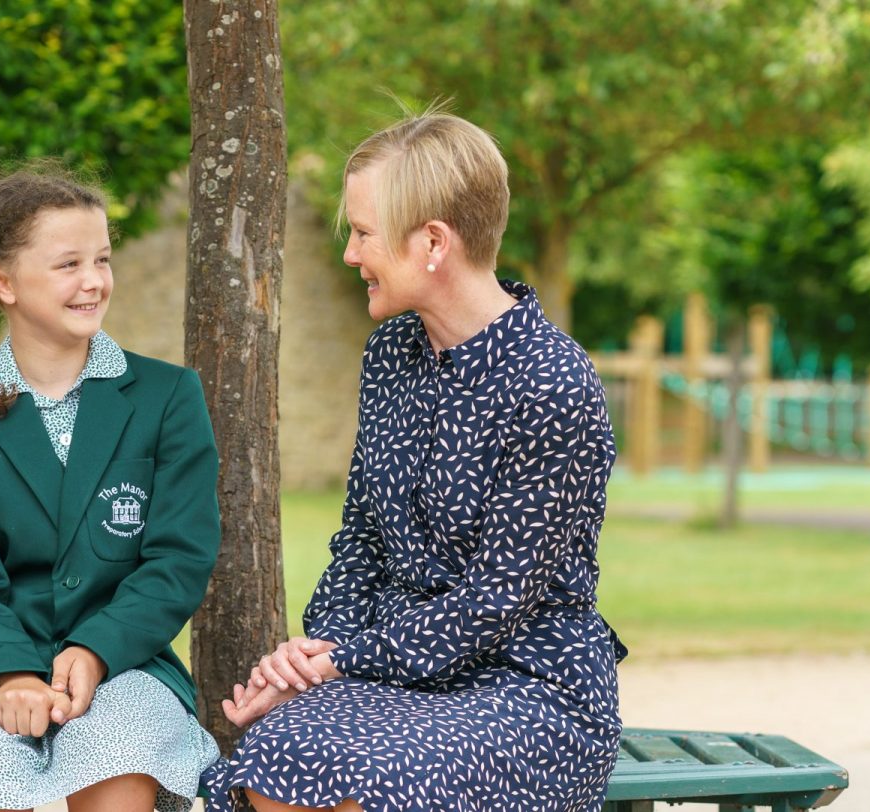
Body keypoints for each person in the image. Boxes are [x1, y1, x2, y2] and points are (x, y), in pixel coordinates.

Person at [201, 112, 627, 812]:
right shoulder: (391, 355)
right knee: (272, 760)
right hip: (390, 676)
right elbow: (364, 538)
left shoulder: (553, 385)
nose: (350, 254)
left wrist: (343, 661)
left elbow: (495, 603)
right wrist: (315, 655)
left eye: (363, 233)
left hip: (526, 684)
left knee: (381, 783)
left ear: (434, 242)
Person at [0, 167, 221, 812]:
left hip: (124, 663)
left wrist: (96, 650)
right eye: (68, 263)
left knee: (117, 777)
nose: (94, 280)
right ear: (1, 282)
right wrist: (9, 670)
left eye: (102, 259)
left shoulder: (168, 397)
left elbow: (178, 558)